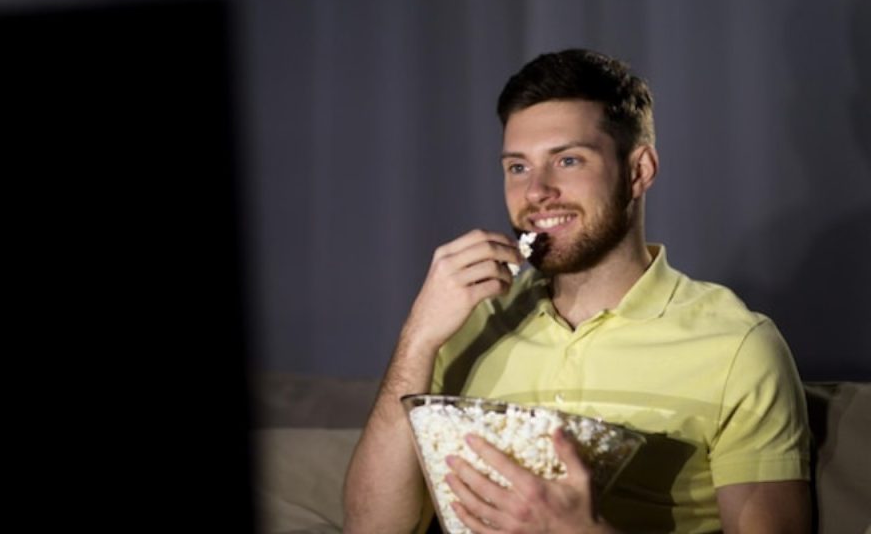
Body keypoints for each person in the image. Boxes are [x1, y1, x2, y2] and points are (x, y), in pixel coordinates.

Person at [342, 49, 810, 533]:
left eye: (568, 160)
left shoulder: (737, 345)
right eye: (517, 167)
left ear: (639, 170)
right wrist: (418, 335)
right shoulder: (469, 322)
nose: (537, 191)